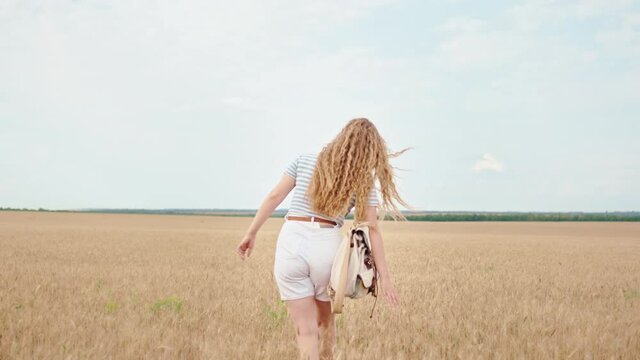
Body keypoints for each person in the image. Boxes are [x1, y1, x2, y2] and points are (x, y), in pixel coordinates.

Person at [236, 118, 411, 360]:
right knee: (325, 324)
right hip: (326, 247)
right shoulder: (363, 181)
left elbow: (275, 196)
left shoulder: (304, 160)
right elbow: (372, 230)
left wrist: (251, 233)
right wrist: (385, 278)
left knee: (305, 330)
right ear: (372, 150)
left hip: (291, 241)